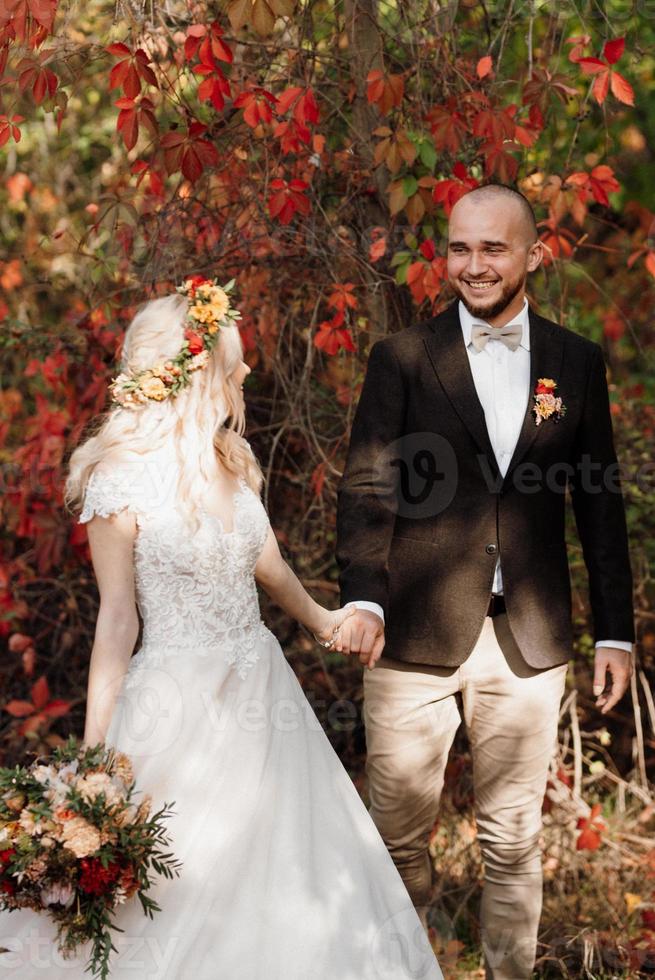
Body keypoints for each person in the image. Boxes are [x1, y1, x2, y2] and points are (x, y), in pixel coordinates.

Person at [0, 277, 442, 979]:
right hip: (174, 705)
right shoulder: (115, 480)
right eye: (233, 360)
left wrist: (327, 618)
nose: (244, 371)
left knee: (290, 864)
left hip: (261, 691)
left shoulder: (230, 458)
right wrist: (92, 761)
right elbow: (117, 622)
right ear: (197, 370)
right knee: (175, 879)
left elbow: (266, 563)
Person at [335, 185, 635, 979]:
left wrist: (614, 631)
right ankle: (403, 969)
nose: (473, 265)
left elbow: (597, 501)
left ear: (533, 253)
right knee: (398, 843)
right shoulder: (401, 358)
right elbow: (369, 485)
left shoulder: (574, 361)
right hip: (410, 636)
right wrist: (363, 594)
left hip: (526, 640)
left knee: (513, 841)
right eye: (460, 248)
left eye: (492, 248)